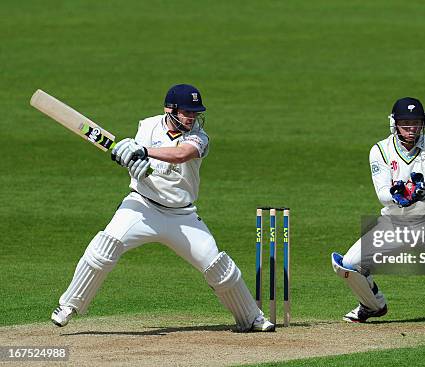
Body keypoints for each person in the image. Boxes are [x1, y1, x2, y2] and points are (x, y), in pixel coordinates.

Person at [51, 84, 274, 332]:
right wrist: (127, 158)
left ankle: (251, 317)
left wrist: (143, 151)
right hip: (142, 207)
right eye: (186, 112)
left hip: (183, 215)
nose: (191, 118)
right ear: (170, 109)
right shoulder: (147, 125)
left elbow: (181, 155)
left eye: (195, 113)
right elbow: (135, 157)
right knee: (104, 247)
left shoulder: (199, 137)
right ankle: (68, 305)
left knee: (219, 267)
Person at [330, 97, 425, 327]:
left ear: (424, 123)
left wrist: (424, 192)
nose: (411, 129)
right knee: (346, 265)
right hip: (394, 225)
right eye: (405, 124)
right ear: (394, 123)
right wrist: (399, 195)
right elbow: (382, 194)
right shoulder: (380, 150)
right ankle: (372, 305)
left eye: (416, 123)